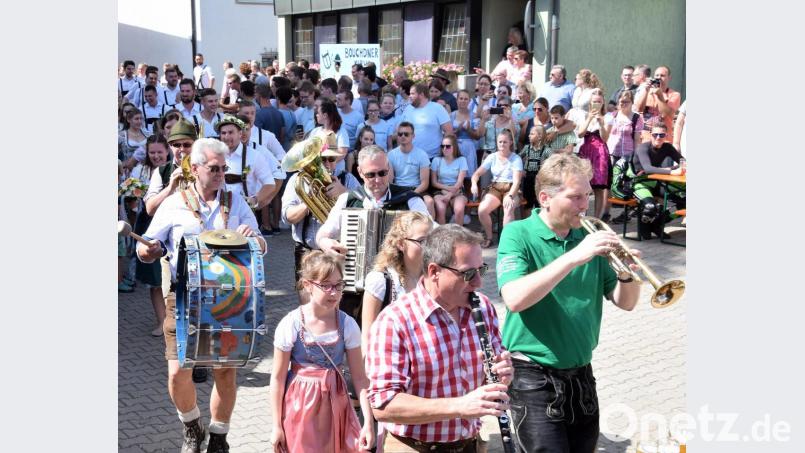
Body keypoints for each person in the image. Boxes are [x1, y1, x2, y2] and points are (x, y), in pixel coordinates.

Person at [496, 152, 641, 453]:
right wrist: (574, 257)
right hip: (533, 375)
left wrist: (629, 275)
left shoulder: (590, 236)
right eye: (575, 197)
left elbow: (625, 303)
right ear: (546, 197)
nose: (585, 205)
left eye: (587, 195)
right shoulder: (517, 234)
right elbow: (514, 298)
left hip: (581, 373)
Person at [136, 138, 266, 453]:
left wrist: (254, 239)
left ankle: (219, 436)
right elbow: (144, 248)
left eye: (224, 168)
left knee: (224, 371)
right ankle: (192, 425)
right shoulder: (173, 203)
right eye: (214, 168)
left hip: (229, 299)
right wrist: (149, 251)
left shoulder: (236, 202)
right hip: (182, 297)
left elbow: (262, 246)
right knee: (177, 374)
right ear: (195, 169)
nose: (221, 173)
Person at [366, 224, 513, 452]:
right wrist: (459, 406)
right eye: (468, 274)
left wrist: (502, 378)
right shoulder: (395, 321)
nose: (478, 283)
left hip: (469, 443)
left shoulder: (482, 307)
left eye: (480, 270)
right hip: (414, 446)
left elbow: (488, 385)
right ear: (434, 271)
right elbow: (384, 405)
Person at [269, 250, 375, 453]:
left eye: (338, 285)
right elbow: (277, 378)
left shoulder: (348, 325)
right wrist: (276, 425)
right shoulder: (291, 323)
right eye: (326, 286)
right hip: (299, 406)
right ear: (308, 285)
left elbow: (360, 379)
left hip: (336, 404)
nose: (334, 292)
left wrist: (368, 421)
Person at [282, 133, 361, 302]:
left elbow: (367, 205)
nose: (327, 164)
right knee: (308, 304)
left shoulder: (347, 179)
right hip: (308, 251)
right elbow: (287, 217)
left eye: (332, 160)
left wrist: (344, 193)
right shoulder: (298, 181)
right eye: (322, 159)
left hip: (338, 252)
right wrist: (308, 202)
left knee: (339, 302)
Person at [359, 211, 433, 350]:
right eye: (422, 241)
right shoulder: (381, 280)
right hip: (391, 361)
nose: (429, 246)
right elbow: (367, 337)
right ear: (401, 244)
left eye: (431, 240)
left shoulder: (433, 278)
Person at [131, 135, 170, 337]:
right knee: (154, 281)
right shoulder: (141, 171)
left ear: (167, 151)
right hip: (148, 226)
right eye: (152, 152)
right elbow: (133, 198)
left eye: (159, 152)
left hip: (170, 227)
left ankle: (173, 320)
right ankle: (161, 321)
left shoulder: (173, 170)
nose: (156, 156)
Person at [630, 124, 686, 240]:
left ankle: (658, 225)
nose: (658, 138)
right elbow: (648, 168)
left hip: (656, 182)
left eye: (662, 135)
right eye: (655, 134)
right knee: (650, 207)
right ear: (651, 135)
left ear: (666, 136)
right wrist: (670, 171)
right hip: (639, 183)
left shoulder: (667, 147)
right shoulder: (643, 148)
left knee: (683, 200)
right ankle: (646, 228)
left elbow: (683, 162)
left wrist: (680, 168)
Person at [470, 129, 524, 248]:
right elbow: (476, 174)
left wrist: (510, 195)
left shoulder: (516, 158)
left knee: (508, 207)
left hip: (511, 187)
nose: (502, 144)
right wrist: (474, 183)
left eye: (505, 142)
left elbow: (516, 181)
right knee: (482, 209)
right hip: (495, 187)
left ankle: (507, 241)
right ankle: (489, 237)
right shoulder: (492, 157)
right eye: (500, 142)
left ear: (510, 142)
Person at [605, 91, 643, 223]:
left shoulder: (636, 118)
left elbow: (637, 140)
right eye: (621, 102)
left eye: (626, 101)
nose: (623, 104)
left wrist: (637, 158)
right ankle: (606, 213)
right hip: (612, 153)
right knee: (610, 183)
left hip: (628, 155)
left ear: (632, 102)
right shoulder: (612, 116)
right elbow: (605, 135)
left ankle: (625, 214)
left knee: (627, 184)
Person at [576, 89, 611, 219]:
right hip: (586, 151)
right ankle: (581, 215)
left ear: (603, 103)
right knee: (583, 185)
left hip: (600, 152)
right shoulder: (585, 115)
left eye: (599, 102)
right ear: (590, 103)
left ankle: (596, 218)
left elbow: (605, 138)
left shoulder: (607, 117)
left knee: (599, 187)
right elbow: (580, 133)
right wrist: (590, 118)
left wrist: (601, 124)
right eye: (594, 101)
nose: (597, 104)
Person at [387, 122, 434, 217]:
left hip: (417, 189)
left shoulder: (422, 154)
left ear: (413, 136)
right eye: (400, 134)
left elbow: (425, 183)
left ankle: (432, 230)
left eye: (406, 134)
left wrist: (411, 194)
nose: (403, 136)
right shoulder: (391, 155)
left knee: (429, 201)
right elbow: (389, 180)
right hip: (398, 188)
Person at [400, 83, 454, 159]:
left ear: (421, 94)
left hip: (433, 157)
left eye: (412, 94)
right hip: (410, 157)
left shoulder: (437, 108)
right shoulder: (407, 109)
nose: (409, 96)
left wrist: (444, 153)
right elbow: (401, 131)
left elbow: (449, 131)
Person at [634, 65, 681, 143]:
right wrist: (645, 90)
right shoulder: (648, 92)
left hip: (663, 140)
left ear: (669, 78)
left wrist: (659, 95)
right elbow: (639, 109)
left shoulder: (674, 95)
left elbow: (664, 114)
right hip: (645, 138)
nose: (659, 77)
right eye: (657, 75)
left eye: (662, 75)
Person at [431, 134, 469, 226]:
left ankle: (457, 237)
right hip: (440, 190)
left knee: (459, 209)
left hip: (457, 190)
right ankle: (443, 237)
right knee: (440, 209)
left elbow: (460, 182)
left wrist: (449, 195)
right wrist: (446, 189)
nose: (444, 149)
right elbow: (434, 182)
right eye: (442, 146)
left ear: (454, 147)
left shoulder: (461, 160)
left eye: (448, 146)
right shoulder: (437, 160)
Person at [450, 89, 481, 182]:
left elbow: (477, 136)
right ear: (457, 100)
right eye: (461, 98)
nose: (463, 101)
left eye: (465, 99)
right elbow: (448, 136)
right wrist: (458, 130)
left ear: (469, 101)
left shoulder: (474, 116)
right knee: (454, 176)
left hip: (469, 148)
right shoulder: (451, 115)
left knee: (469, 177)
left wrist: (468, 130)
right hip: (455, 147)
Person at [519, 124, 551, 211]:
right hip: (528, 178)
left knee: (539, 202)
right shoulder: (527, 148)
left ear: (540, 136)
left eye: (532, 134)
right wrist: (520, 171)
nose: (529, 136)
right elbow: (517, 159)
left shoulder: (547, 150)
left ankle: (539, 221)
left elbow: (552, 164)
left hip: (540, 179)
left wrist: (545, 172)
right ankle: (526, 222)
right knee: (526, 203)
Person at [118, 107, 152, 174]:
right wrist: (122, 163)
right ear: (128, 120)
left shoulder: (148, 134)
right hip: (128, 170)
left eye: (141, 119)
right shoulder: (121, 136)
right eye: (136, 119)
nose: (139, 121)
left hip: (145, 170)